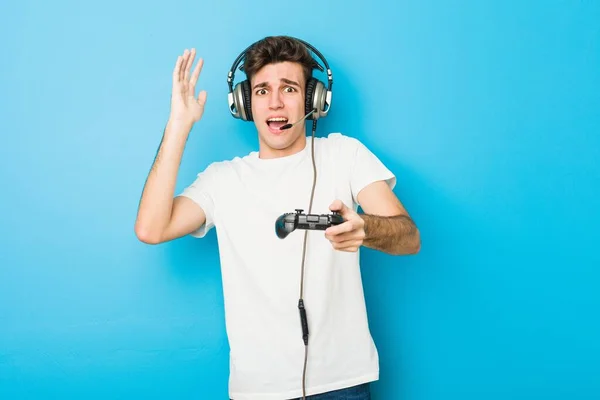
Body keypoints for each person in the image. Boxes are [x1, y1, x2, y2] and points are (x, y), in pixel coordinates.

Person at [134, 36, 420, 400]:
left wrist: (367, 229)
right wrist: (178, 125)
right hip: (258, 391)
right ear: (244, 103)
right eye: (262, 90)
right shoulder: (222, 179)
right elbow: (151, 228)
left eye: (289, 88)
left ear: (313, 98)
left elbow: (409, 236)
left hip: (341, 384)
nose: (276, 103)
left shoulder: (344, 155)